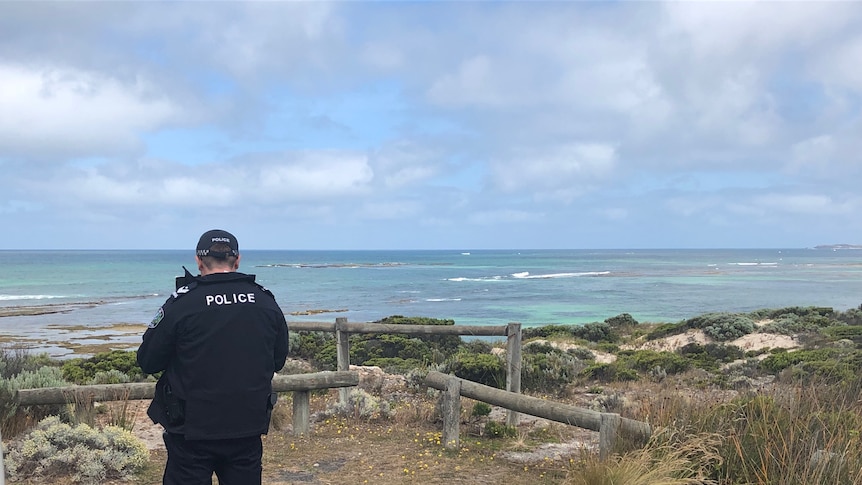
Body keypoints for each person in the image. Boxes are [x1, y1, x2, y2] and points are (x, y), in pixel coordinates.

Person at [137, 229, 289, 485]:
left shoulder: (182, 303)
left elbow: (148, 360)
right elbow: (279, 360)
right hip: (247, 426)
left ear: (198, 260)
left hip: (191, 431)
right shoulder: (265, 301)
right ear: (237, 260)